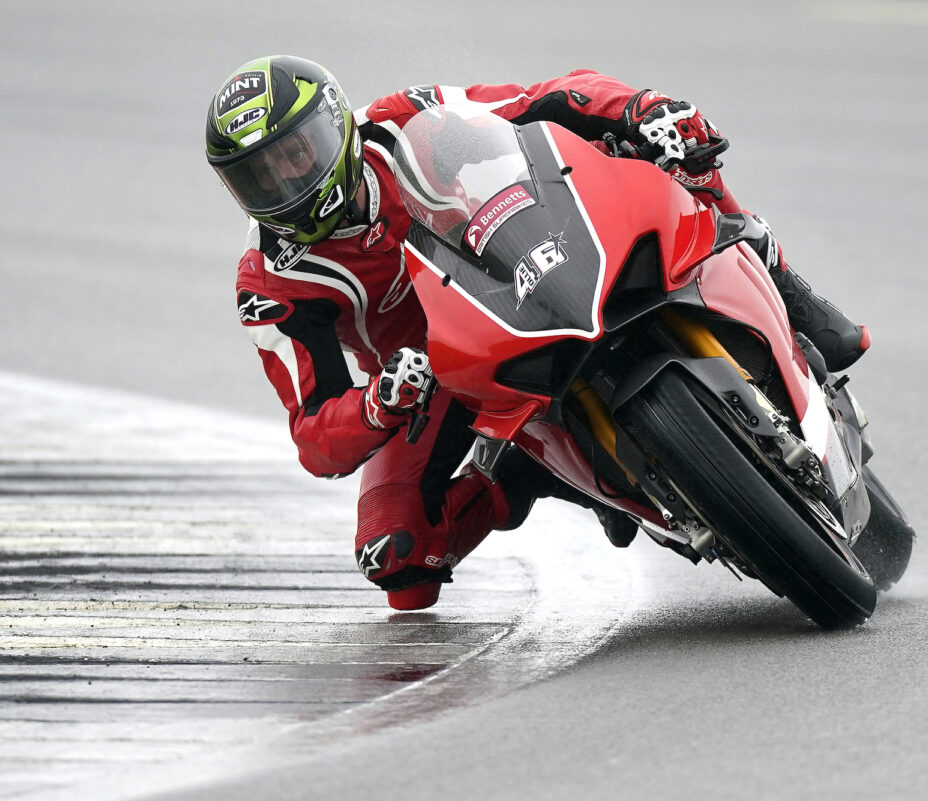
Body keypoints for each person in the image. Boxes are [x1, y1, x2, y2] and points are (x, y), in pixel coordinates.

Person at [205, 56, 869, 611]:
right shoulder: (271, 284)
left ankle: (784, 281)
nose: (288, 179)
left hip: (522, 254)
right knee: (397, 558)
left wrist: (641, 109)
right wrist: (380, 399)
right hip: (440, 368)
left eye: (297, 153)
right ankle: (531, 474)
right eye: (260, 175)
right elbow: (315, 431)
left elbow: (540, 100)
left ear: (336, 125)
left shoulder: (404, 123)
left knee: (677, 143)